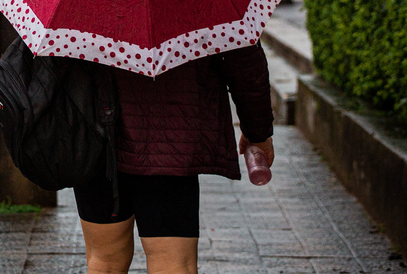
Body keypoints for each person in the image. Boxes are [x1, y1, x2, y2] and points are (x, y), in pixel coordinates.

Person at [75, 44, 275, 274]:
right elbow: (244, 61)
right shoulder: (203, 6)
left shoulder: (79, 8)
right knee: (172, 264)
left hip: (96, 139)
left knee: (104, 264)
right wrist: (258, 133)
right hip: (170, 142)